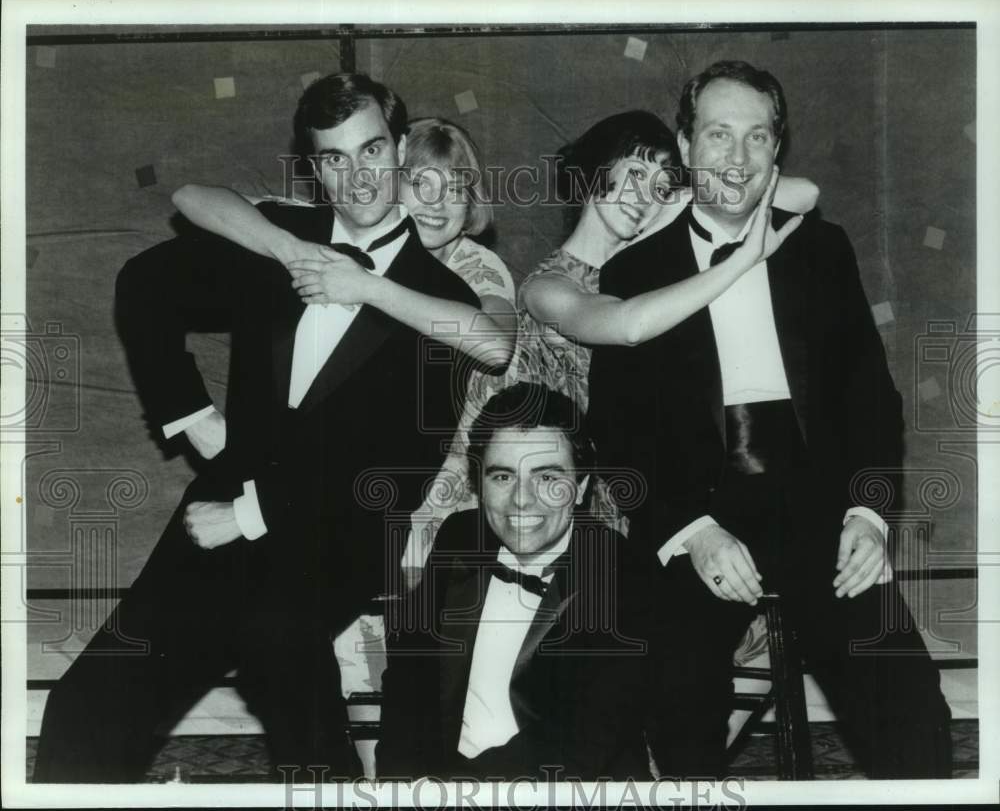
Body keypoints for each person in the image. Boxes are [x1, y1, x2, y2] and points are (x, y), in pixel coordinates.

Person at [33, 73, 479, 782]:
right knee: (85, 705)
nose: (358, 176)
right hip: (220, 507)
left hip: (334, 531)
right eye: (334, 158)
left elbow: (400, 464)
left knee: (282, 659)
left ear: (399, 148)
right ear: (313, 166)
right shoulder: (280, 242)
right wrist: (193, 417)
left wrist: (250, 512)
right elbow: (144, 286)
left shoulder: (445, 299)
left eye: (370, 150)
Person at [586, 60, 952, 779]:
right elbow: (619, 431)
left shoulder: (821, 248)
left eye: (757, 138)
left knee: (906, 697)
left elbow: (872, 400)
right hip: (703, 513)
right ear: (686, 147)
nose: (738, 157)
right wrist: (691, 533)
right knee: (679, 693)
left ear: (777, 152)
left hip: (820, 509)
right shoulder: (634, 273)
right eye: (718, 135)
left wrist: (867, 517)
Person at [172, 118, 518, 578]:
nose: (437, 203)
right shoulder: (342, 228)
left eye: (454, 188)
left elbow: (494, 345)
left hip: (434, 479)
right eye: (419, 183)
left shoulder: (477, 266)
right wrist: (285, 245)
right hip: (317, 471)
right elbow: (191, 198)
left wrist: (366, 287)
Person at [516, 109, 817, 527]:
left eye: (659, 187)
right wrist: (742, 260)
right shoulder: (546, 286)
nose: (645, 196)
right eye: (635, 173)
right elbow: (628, 326)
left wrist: (695, 186)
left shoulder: (650, 275)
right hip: (566, 505)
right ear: (595, 170)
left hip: (654, 492)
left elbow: (806, 194)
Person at [376, 382, 657, 781]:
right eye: (503, 477)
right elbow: (408, 683)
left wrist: (454, 793)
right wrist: (402, 789)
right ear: (478, 485)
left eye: (546, 478)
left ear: (580, 487)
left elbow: (586, 736)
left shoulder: (621, 568)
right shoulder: (460, 537)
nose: (522, 500)